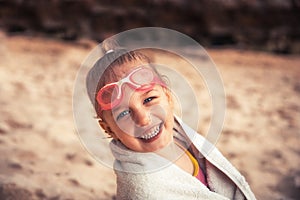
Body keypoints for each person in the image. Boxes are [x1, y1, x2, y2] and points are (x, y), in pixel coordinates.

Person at [86, 41, 256, 200]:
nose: (144, 120)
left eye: (148, 100)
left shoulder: (182, 138)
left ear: (168, 98)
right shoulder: (144, 189)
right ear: (108, 129)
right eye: (123, 114)